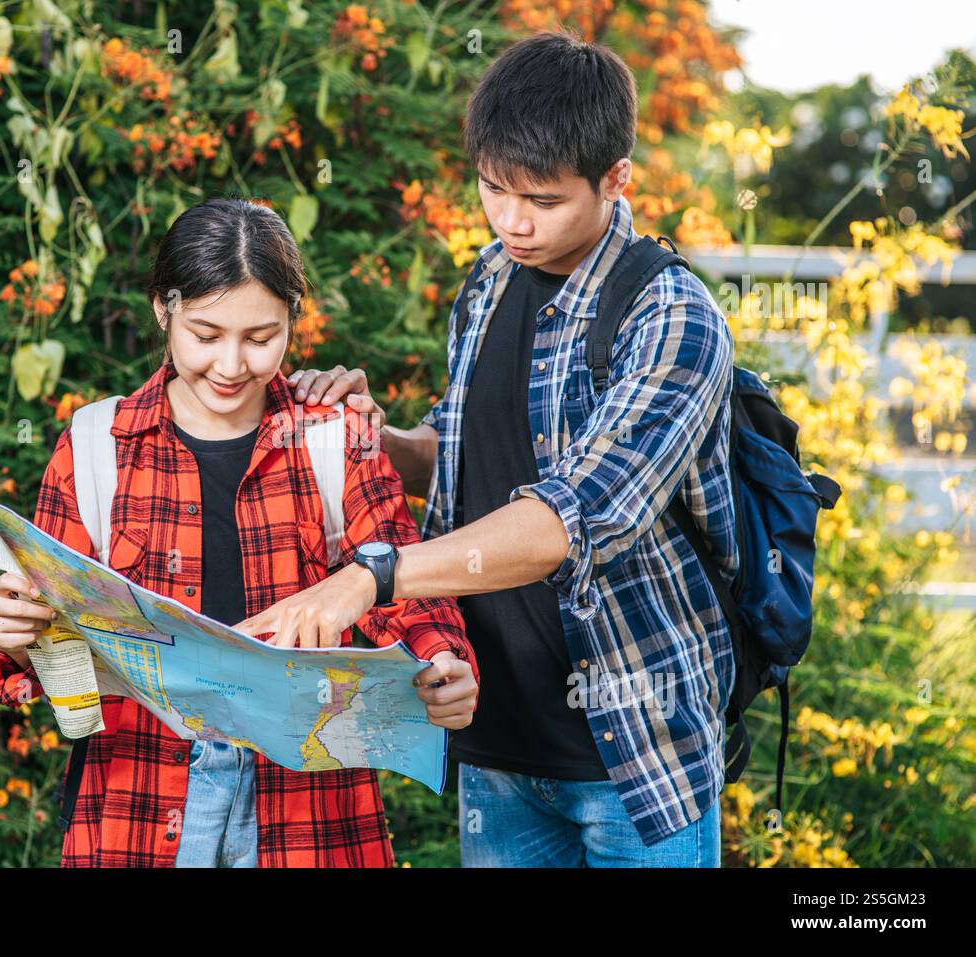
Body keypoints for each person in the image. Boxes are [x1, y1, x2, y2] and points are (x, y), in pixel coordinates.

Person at [242, 32, 738, 867]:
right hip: (498, 740)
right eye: (493, 189)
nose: (512, 220)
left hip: (635, 757)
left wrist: (374, 575)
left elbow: (569, 520)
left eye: (541, 199)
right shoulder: (490, 276)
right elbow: (467, 448)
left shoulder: (672, 316)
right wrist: (375, 439)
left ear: (616, 179)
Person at [0, 198, 478, 868]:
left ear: (293, 318)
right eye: (206, 334)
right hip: (138, 794)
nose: (232, 364)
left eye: (261, 337)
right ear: (164, 308)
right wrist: (17, 634)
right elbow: (57, 661)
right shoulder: (96, 445)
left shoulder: (336, 436)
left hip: (307, 805)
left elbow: (406, 581)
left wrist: (445, 660)